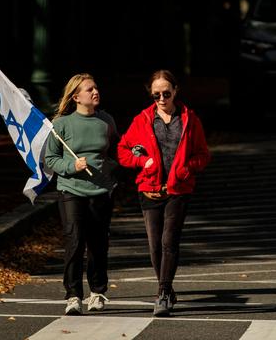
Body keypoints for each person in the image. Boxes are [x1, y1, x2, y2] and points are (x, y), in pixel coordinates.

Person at [117, 70, 210, 317]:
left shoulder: (190, 119)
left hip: (178, 189)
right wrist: (142, 162)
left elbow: (203, 154)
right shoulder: (142, 120)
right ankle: (165, 286)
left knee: (169, 241)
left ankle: (163, 293)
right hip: (149, 190)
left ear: (175, 91)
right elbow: (124, 151)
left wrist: (186, 168)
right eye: (156, 94)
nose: (161, 98)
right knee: (154, 246)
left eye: (166, 93)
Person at [44, 73, 120, 315]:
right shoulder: (61, 125)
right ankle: (73, 295)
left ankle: (97, 292)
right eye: (90, 89)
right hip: (70, 190)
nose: (95, 92)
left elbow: (117, 152)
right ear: (76, 96)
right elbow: (50, 159)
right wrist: (71, 167)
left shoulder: (106, 120)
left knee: (98, 244)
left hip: (100, 191)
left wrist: (110, 171)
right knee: (75, 241)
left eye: (96, 88)